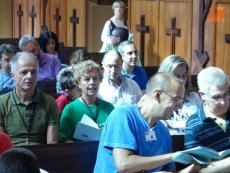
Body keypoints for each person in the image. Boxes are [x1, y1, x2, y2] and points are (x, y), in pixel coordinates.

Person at [94, 72, 201, 173]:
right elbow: (123, 165)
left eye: (181, 101)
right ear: (158, 95)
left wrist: (190, 170)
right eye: (176, 99)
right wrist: (172, 156)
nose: (180, 106)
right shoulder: (123, 115)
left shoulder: (163, 132)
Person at [0, 52, 59, 146]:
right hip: (11, 155)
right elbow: (1, 144)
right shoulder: (2, 103)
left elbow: (52, 144)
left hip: (40, 155)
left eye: (33, 72)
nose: (29, 76)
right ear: (13, 75)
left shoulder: (49, 102)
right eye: (24, 72)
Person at [184, 66, 230, 172]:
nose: (223, 102)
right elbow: (198, 169)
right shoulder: (194, 125)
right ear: (202, 95)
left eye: (226, 94)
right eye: (216, 97)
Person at [59, 60, 114, 143]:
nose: (92, 82)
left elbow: (114, 135)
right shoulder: (70, 110)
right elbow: (64, 139)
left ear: (100, 81)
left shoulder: (109, 108)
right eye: (87, 79)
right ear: (78, 83)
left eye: (95, 78)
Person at [158, 55, 202, 135]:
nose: (181, 80)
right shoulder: (158, 98)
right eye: (177, 76)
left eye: (184, 76)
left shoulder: (194, 97)